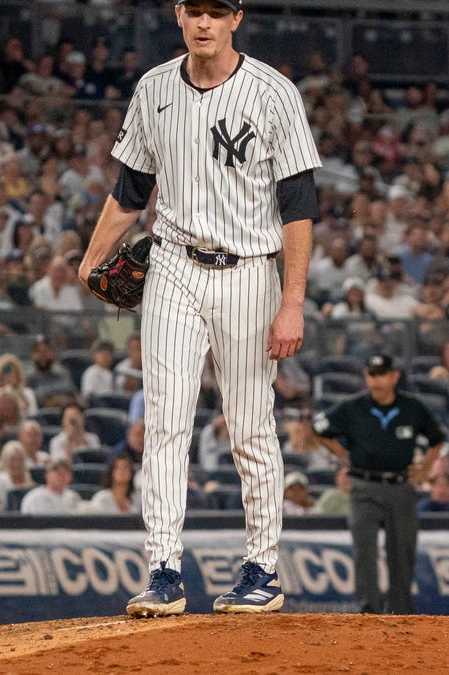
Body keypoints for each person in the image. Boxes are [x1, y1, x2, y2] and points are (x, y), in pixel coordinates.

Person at [77, 0, 321, 620]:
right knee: (164, 422)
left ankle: (262, 568)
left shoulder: (274, 92)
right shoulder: (154, 87)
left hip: (248, 274)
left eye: (218, 11)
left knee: (248, 426)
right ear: (179, 14)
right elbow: (130, 190)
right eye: (196, 10)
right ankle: (164, 569)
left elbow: (298, 206)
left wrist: (292, 302)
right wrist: (90, 258)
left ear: (236, 17)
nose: (205, 23)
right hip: (174, 266)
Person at [314, 353, 446, 614]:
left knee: (402, 551)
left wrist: (425, 469)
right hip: (364, 485)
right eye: (372, 375)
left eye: (382, 374)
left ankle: (401, 611)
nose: (377, 381)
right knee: (365, 550)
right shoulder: (352, 407)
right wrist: (341, 453)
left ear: (394, 376)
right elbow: (319, 427)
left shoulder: (412, 407)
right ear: (366, 377)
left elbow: (437, 438)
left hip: (400, 486)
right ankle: (368, 611)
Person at [0, 441, 36, 509]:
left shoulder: (29, 479)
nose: (16, 464)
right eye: (13, 460)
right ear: (6, 460)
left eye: (20, 460)